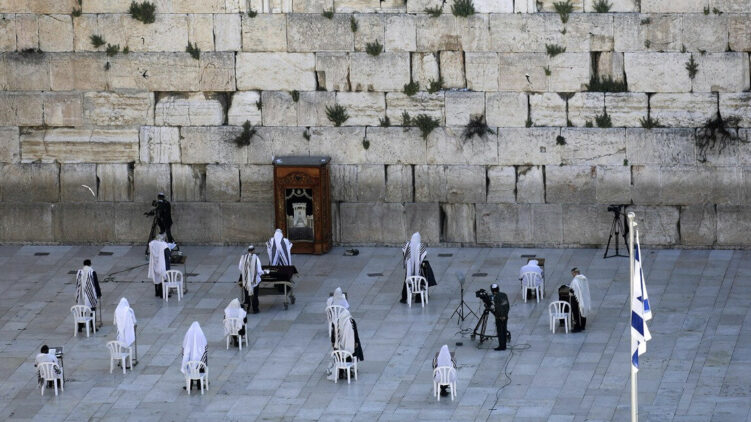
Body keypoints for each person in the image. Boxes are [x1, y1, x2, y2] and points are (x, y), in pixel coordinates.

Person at [75, 259, 102, 331]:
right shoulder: (92, 272)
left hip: (81, 294)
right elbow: (96, 283)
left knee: (81, 309)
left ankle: (80, 327)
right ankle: (93, 327)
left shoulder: (79, 272)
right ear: (90, 264)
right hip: (90, 294)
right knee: (92, 310)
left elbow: (77, 283)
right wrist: (99, 293)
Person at [401, 232, 427, 304]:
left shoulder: (407, 245)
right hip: (418, 268)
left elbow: (403, 253)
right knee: (420, 280)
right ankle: (418, 298)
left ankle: (404, 298)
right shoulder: (421, 246)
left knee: (406, 281)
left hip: (409, 267)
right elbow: (424, 256)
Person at [181, 321, 207, 391]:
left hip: (190, 359)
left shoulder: (188, 335)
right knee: (200, 368)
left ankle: (189, 385)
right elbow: (204, 346)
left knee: (190, 368)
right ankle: (199, 385)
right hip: (200, 359)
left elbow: (185, 346)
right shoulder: (201, 334)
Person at [239, 246, 263, 313]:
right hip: (254, 281)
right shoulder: (256, 258)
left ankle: (247, 309)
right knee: (255, 295)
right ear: (253, 250)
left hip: (246, 281)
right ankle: (255, 309)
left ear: (248, 251)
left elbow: (240, 268)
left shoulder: (243, 258)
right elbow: (259, 270)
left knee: (246, 296)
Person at [148, 233, 171, 298]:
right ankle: (162, 293)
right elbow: (168, 253)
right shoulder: (163, 244)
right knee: (162, 278)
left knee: (156, 277)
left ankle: (157, 292)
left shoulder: (152, 243)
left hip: (155, 263)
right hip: (162, 263)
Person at [569, 268, 591, 333]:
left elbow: (573, 290)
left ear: (575, 273)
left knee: (576, 313)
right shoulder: (584, 279)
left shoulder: (575, 280)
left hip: (576, 299)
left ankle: (577, 327)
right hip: (584, 298)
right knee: (583, 311)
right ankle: (583, 326)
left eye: (572, 273)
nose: (572, 275)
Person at [491, 283, 510, 351]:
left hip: (500, 317)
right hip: (505, 316)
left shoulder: (496, 297)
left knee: (500, 332)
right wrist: (505, 315)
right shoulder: (504, 295)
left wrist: (501, 316)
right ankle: (504, 345)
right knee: (504, 330)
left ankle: (501, 346)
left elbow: (499, 308)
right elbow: (507, 306)